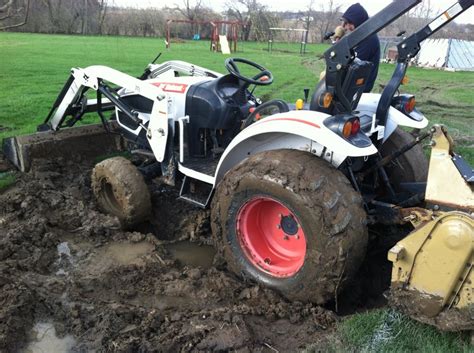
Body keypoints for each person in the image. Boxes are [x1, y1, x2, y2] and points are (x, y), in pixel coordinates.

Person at [341, 3, 380, 92]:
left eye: (349, 23)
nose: (347, 27)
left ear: (358, 21)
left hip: (359, 87)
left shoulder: (369, 39)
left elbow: (354, 64)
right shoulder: (361, 36)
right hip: (354, 83)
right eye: (345, 23)